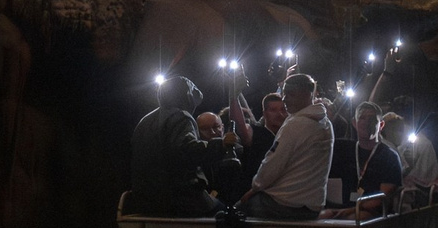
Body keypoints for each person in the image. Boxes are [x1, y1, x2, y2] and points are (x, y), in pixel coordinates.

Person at [128, 76, 223, 216]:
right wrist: (221, 144)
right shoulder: (180, 117)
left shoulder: (145, 121)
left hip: (145, 200)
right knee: (227, 214)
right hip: (179, 199)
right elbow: (186, 151)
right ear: (186, 96)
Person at [243, 73, 333, 219]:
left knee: (232, 214)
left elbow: (273, 164)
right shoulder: (325, 123)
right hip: (313, 205)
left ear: (307, 94)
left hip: (285, 204)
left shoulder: (296, 124)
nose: (284, 99)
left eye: (290, 94)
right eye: (284, 94)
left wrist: (255, 187)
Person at [197, 110, 252, 206]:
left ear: (222, 127)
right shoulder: (195, 155)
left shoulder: (238, 151)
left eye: (216, 127)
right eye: (205, 128)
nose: (212, 132)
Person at [358, 111, 404, 202]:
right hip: (380, 199)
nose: (402, 134)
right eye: (399, 130)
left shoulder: (381, 145)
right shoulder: (389, 151)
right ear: (387, 130)